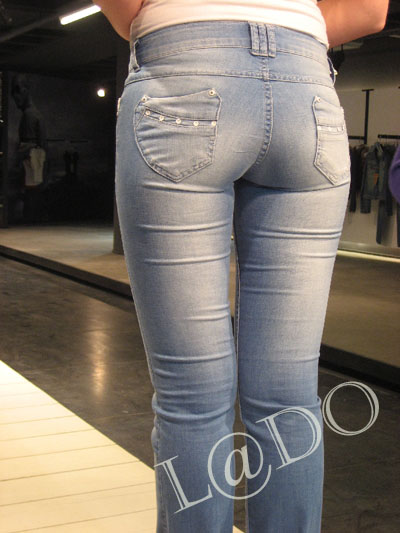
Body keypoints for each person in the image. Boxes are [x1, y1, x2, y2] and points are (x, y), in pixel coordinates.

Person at [95, 1, 389, 532]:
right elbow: (370, 12)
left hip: (184, 73)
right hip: (308, 94)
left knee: (192, 397)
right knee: (288, 397)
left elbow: (126, 10)